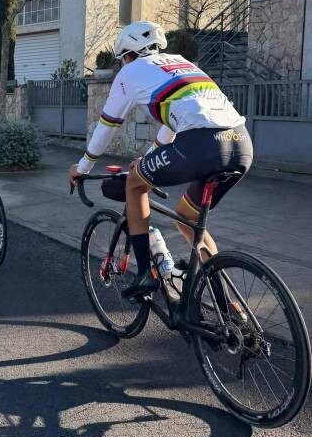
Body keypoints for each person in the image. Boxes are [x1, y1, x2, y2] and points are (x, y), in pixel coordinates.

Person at [68, 21, 253, 300]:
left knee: (134, 184)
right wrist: (152, 157)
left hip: (201, 145)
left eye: (122, 60)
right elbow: (178, 120)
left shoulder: (130, 72)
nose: (122, 65)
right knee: (188, 219)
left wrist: (82, 168)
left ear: (127, 55)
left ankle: (144, 274)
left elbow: (107, 126)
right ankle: (230, 310)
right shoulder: (182, 63)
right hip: (240, 143)